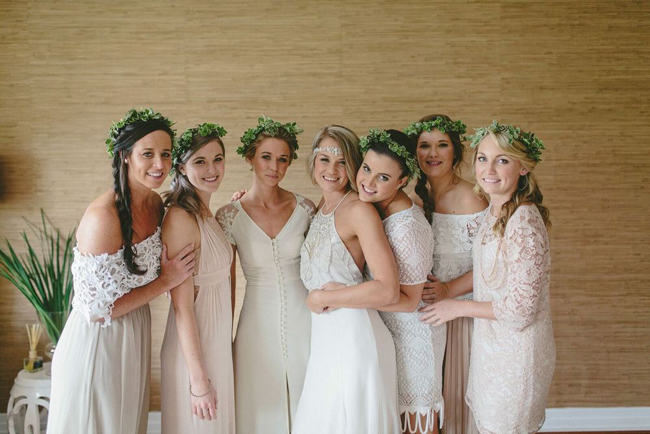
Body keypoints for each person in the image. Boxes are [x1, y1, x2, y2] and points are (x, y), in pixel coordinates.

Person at [47, 108, 195, 434]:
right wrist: (167, 281)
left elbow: (193, 205)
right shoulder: (103, 217)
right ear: (125, 156)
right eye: (148, 154)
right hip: (97, 345)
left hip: (135, 336)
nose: (159, 164)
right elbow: (97, 310)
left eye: (166, 154)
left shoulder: (156, 205)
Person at [420, 121, 555, 433]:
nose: (489, 169)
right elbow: (485, 274)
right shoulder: (497, 212)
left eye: (502, 160)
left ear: (523, 167)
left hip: (517, 352)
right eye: (482, 158)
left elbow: (520, 311)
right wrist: (448, 292)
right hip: (491, 346)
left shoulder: (522, 223)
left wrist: (457, 308)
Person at [292, 125, 400, 434]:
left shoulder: (359, 211)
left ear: (354, 166)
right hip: (326, 339)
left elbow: (388, 290)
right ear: (313, 163)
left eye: (342, 162)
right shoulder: (319, 208)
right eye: (324, 159)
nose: (332, 169)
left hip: (355, 339)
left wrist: (325, 298)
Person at [215, 116, 315, 434]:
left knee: (308, 394)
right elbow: (226, 285)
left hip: (306, 316)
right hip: (255, 321)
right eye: (266, 157)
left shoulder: (306, 208)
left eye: (282, 159)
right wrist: (224, 339)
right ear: (250, 158)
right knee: (259, 402)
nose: (274, 167)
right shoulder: (229, 215)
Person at [354, 128, 441, 433]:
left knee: (414, 423)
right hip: (384, 335)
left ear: (402, 181)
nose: (368, 181)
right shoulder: (368, 204)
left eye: (383, 178)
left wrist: (347, 297)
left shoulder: (407, 227)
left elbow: (410, 303)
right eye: (366, 168)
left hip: (413, 337)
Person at [405, 114, 487, 434]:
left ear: (456, 152)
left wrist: (449, 291)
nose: (433, 153)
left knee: (459, 403)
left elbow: (492, 263)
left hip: (464, 316)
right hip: (423, 320)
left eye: (442, 145)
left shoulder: (472, 196)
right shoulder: (411, 197)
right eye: (424, 145)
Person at [160, 123, 234, 433]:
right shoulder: (180, 217)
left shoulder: (208, 215)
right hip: (194, 352)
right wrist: (199, 380)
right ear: (181, 167)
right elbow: (183, 307)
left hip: (216, 343)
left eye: (217, 159)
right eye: (200, 161)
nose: (212, 168)